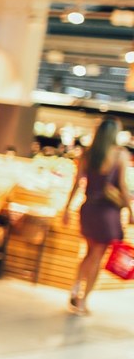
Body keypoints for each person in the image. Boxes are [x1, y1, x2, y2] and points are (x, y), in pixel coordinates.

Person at [63, 117, 131, 315]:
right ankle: (83, 301)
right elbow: (124, 187)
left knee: (89, 252)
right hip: (107, 212)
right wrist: (131, 211)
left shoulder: (88, 154)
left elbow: (77, 183)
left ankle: (76, 287)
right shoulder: (120, 154)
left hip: (88, 209)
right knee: (97, 256)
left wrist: (67, 208)